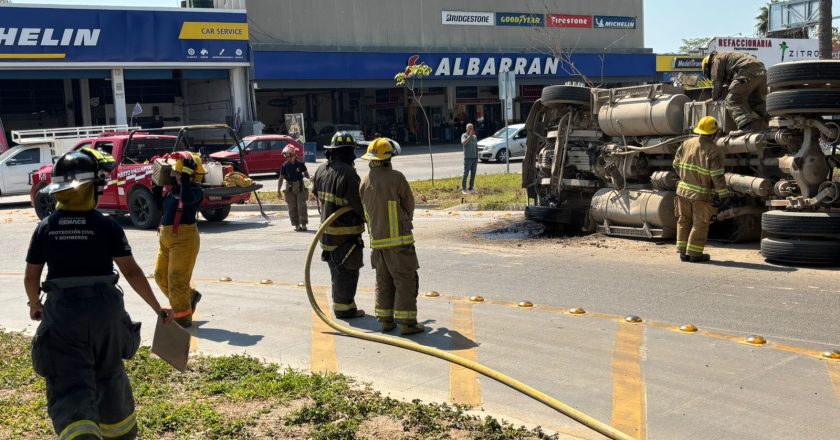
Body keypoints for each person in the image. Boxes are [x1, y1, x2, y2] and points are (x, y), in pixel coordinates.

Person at [25, 148, 173, 440]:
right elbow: (131, 272)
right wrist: (158, 307)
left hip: (64, 314)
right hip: (107, 315)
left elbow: (32, 277)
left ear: (59, 191)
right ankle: (119, 432)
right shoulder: (107, 226)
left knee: (69, 382)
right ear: (94, 188)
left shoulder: (46, 227)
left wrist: (35, 305)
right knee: (109, 373)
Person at [359, 138, 424, 335]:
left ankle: (386, 320)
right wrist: (406, 220)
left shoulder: (364, 181)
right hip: (400, 243)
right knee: (405, 280)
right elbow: (409, 205)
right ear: (389, 158)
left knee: (383, 281)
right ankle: (407, 323)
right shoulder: (397, 178)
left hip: (377, 243)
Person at [312, 131, 366, 319]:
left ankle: (340, 305)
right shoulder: (348, 174)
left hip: (326, 234)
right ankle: (345, 309)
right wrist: (370, 219)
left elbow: (316, 192)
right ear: (348, 152)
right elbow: (359, 204)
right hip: (346, 235)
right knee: (347, 271)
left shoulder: (321, 170)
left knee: (336, 271)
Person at [154, 151, 204, 328]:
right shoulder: (172, 190)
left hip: (184, 240)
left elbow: (186, 199)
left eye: (177, 172)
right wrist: (156, 180)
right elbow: (158, 205)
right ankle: (189, 297)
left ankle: (183, 319)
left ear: (189, 173)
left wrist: (185, 179)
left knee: (176, 281)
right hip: (166, 239)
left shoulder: (195, 191)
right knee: (160, 277)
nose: (174, 175)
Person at [673, 116, 729, 263]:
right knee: (700, 224)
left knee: (683, 220)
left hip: (682, 191)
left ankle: (683, 253)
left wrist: (687, 178)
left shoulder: (686, 143)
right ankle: (695, 255)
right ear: (714, 133)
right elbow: (717, 176)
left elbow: (675, 164)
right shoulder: (714, 150)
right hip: (701, 195)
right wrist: (723, 195)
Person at [702, 51, 768, 135]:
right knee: (756, 102)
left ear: (707, 66)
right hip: (761, 71)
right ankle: (773, 123)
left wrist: (714, 98)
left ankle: (746, 127)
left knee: (732, 101)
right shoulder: (726, 57)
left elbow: (717, 82)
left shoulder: (716, 60)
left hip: (747, 71)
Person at [277, 144, 311, 231]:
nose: (289, 158)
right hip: (289, 188)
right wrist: (278, 191)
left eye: (290, 156)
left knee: (301, 206)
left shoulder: (300, 164)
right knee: (292, 207)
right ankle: (297, 225)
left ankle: (303, 224)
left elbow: (306, 174)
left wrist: (310, 178)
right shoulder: (284, 166)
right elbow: (281, 178)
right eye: (287, 156)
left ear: (295, 155)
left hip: (300, 187)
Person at [461, 123, 479, 194]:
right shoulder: (464, 135)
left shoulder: (475, 137)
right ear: (466, 129)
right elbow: (464, 143)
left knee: (473, 174)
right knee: (466, 173)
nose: (471, 129)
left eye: (472, 128)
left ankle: (471, 187)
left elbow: (476, 147)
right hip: (468, 158)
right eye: (470, 128)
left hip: (474, 158)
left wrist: (477, 156)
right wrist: (470, 136)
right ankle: (463, 188)